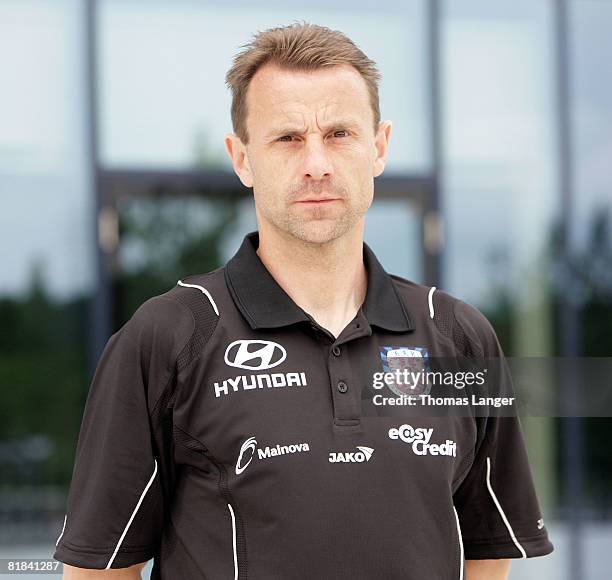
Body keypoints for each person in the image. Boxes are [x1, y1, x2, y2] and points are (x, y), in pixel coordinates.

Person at [54, 21, 553, 580]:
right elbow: (101, 569)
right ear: (242, 158)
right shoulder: (169, 336)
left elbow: (489, 546)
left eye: (339, 133)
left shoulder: (459, 336)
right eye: (288, 138)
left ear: (379, 147)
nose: (316, 162)